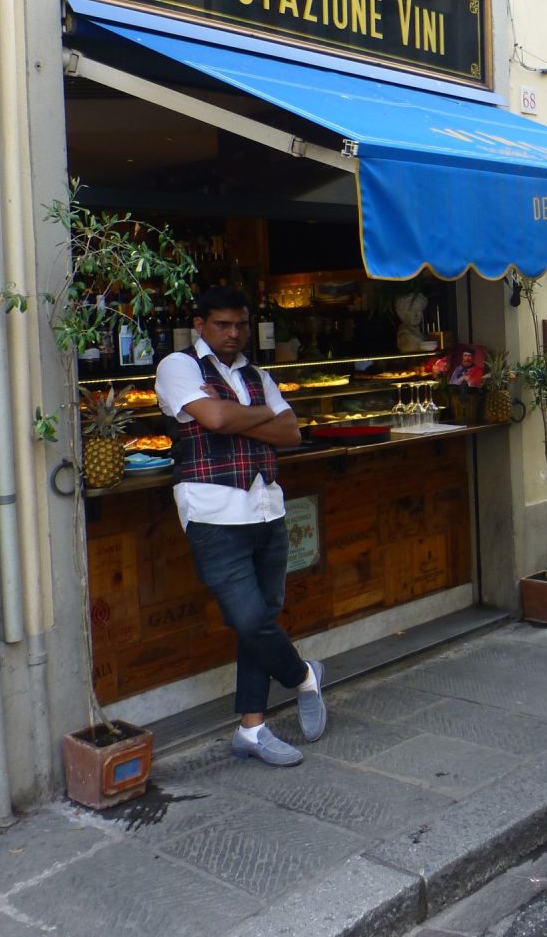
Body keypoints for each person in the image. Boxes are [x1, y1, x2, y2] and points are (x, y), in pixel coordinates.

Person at [155, 285, 326, 767]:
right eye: (224, 325)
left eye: (241, 325)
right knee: (248, 619)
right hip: (212, 511)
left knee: (261, 621)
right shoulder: (179, 366)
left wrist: (232, 416)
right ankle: (304, 677)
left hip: (268, 508)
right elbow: (211, 416)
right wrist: (250, 416)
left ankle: (251, 729)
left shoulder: (259, 374)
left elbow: (290, 432)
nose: (234, 334)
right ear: (201, 326)